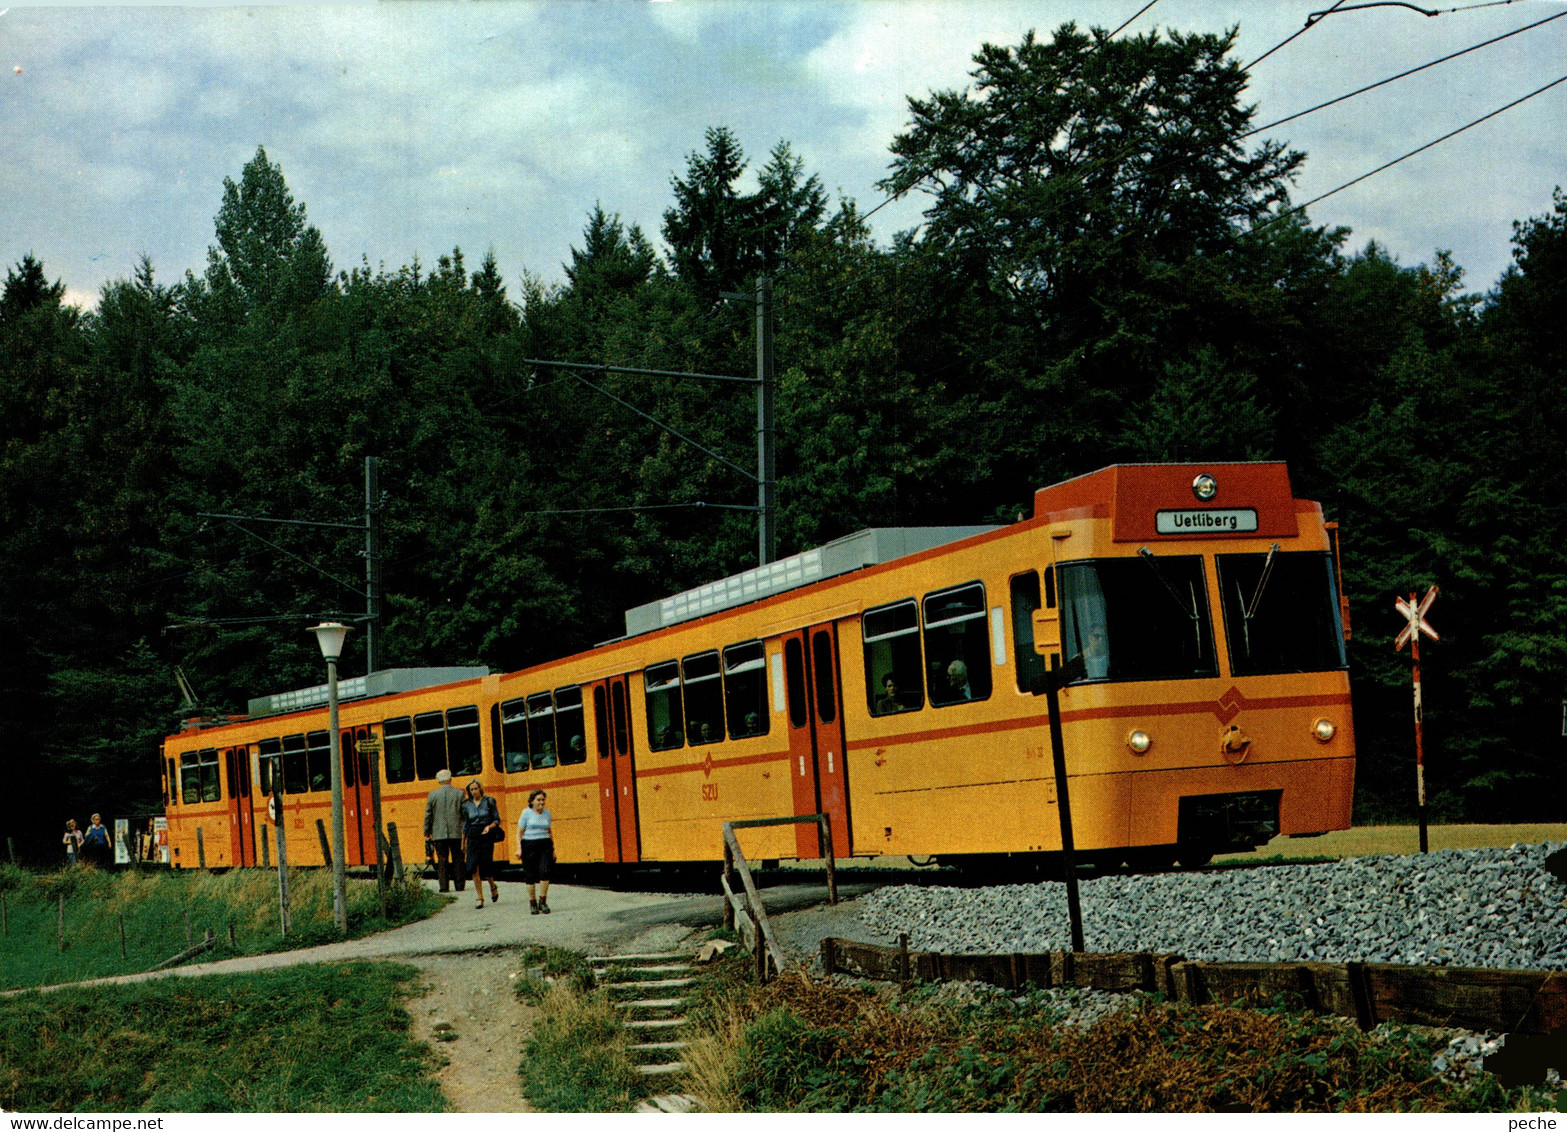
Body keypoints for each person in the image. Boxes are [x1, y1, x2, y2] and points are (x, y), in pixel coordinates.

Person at [423, 768, 466, 893]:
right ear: (451, 779)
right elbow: (464, 814)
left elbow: (428, 815)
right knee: (458, 858)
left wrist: (427, 831)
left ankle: (444, 886)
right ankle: (459, 885)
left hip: (439, 833)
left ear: (438, 781)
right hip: (457, 832)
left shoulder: (432, 795)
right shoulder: (460, 794)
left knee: (442, 860)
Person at [461, 778, 502, 909]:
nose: (474, 792)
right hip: (473, 836)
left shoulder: (489, 801)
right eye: (471, 789)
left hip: (486, 835)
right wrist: (463, 842)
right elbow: (466, 824)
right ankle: (479, 897)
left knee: (486, 865)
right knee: (473, 867)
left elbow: (497, 819)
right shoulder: (467, 806)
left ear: (480, 789)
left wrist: (489, 827)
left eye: (476, 789)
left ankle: (492, 886)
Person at [517, 788, 554, 915]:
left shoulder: (547, 813)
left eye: (543, 800)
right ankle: (532, 903)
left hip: (545, 844)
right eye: (539, 800)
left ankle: (543, 901)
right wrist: (519, 848)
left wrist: (553, 849)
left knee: (545, 872)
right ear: (532, 801)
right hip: (529, 844)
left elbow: (549, 831)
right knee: (530, 875)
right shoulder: (526, 813)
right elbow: (519, 832)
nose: (541, 802)